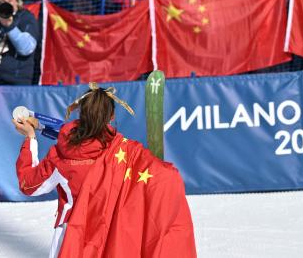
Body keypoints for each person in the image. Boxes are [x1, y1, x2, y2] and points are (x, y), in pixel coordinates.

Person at [13, 84, 196, 257]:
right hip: (111, 234)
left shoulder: (60, 155)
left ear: (81, 113)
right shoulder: (125, 151)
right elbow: (164, 177)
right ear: (112, 117)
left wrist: (30, 138)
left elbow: (29, 185)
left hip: (71, 236)